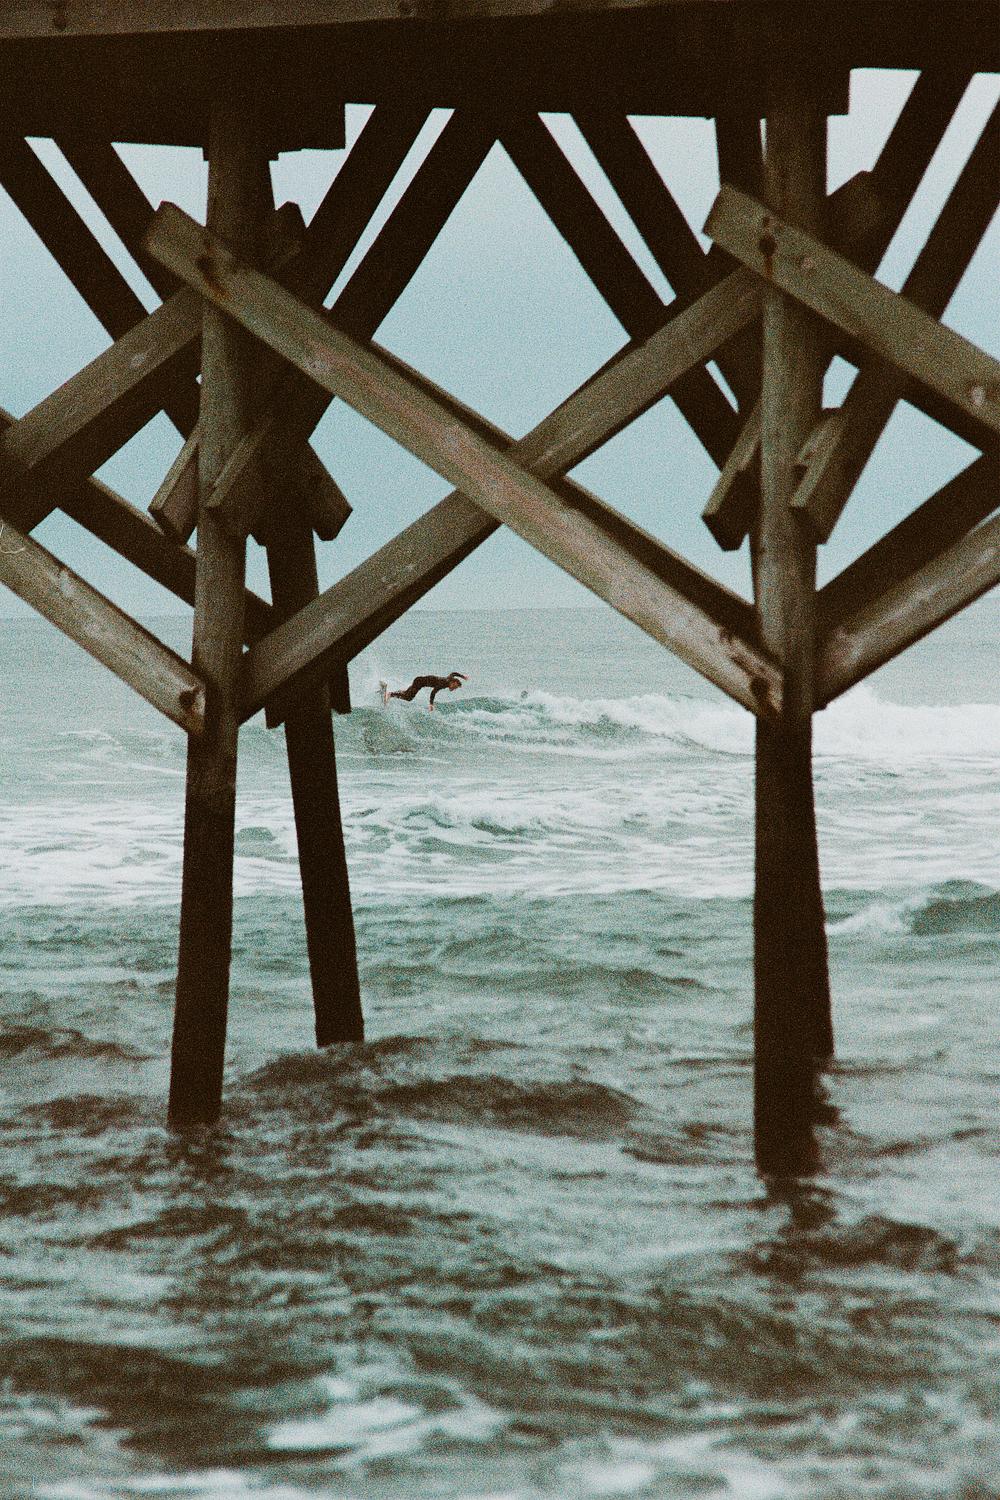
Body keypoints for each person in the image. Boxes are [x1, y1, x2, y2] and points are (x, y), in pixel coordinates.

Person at [381, 671, 468, 711]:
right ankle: (390, 694)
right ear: (453, 682)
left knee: (407, 693)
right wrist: (431, 704)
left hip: (419, 680)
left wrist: (463, 676)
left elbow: (453, 673)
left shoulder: (449, 679)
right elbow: (433, 692)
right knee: (408, 698)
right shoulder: (444, 683)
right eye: (455, 687)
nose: (454, 689)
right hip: (419, 682)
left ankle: (390, 693)